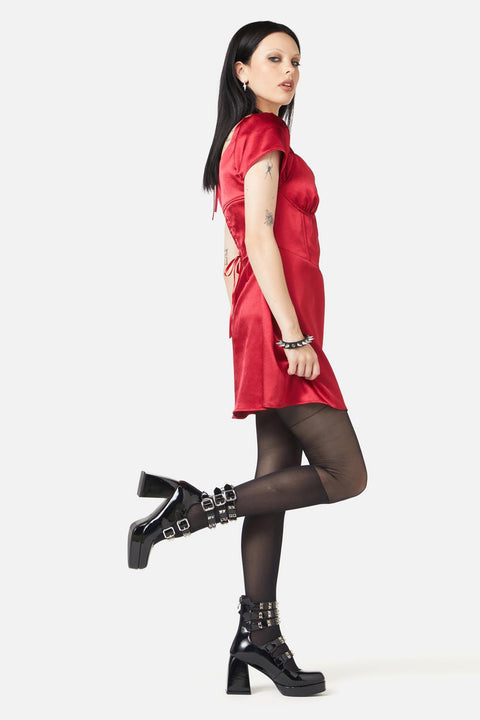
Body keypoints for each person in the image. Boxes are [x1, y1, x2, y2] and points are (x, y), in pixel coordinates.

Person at [127, 20, 368, 697]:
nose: (289, 71)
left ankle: (257, 638)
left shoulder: (244, 136)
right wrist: (293, 337)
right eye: (274, 58)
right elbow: (259, 238)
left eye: (296, 60)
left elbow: (237, 238)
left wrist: (263, 306)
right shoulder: (262, 133)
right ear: (242, 70)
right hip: (280, 328)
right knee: (346, 472)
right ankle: (190, 508)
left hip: (268, 318)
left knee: (276, 474)